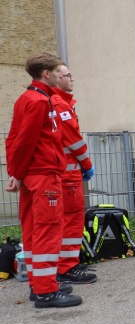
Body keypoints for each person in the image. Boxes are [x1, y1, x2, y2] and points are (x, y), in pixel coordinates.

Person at [5, 53, 82, 308]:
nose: (62, 76)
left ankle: (38, 285)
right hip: (44, 176)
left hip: (33, 176)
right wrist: (17, 172)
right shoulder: (39, 102)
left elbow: (13, 139)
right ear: (46, 74)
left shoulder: (27, 99)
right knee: (48, 232)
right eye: (57, 72)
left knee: (33, 232)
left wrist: (16, 174)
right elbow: (24, 141)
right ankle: (46, 292)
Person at [51, 64, 98, 286]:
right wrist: (87, 165)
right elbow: (75, 142)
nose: (73, 79)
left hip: (62, 173)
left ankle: (65, 264)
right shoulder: (60, 105)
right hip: (68, 175)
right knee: (71, 220)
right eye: (69, 75)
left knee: (66, 220)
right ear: (58, 77)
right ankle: (66, 267)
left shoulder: (58, 103)